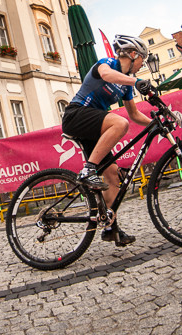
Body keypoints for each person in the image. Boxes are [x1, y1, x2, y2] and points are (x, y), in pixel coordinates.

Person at [61, 34, 154, 247]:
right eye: (142, 60)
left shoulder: (126, 86)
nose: (142, 65)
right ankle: (88, 170)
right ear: (133, 55)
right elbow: (107, 75)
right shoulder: (107, 64)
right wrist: (137, 81)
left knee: (112, 173)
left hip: (94, 126)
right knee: (119, 124)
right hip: (77, 115)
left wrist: (156, 123)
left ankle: (111, 228)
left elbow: (135, 114)